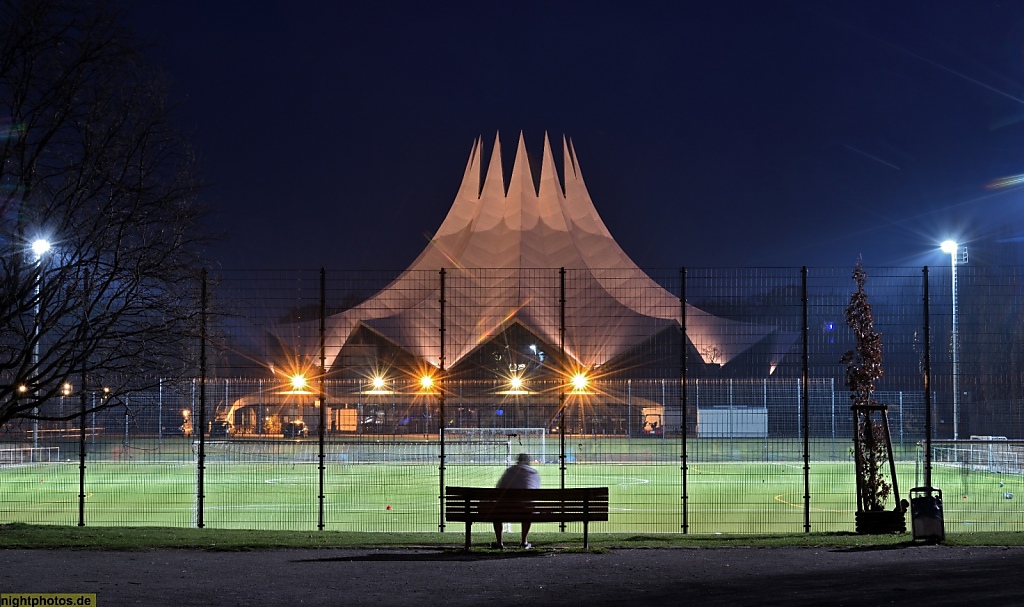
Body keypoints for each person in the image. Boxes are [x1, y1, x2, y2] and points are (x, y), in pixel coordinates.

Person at [492, 452, 540, 549]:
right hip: (526, 510)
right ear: (529, 462)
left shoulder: (510, 471)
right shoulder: (534, 473)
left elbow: (499, 488)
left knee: (496, 513)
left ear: (518, 460)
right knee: (528, 507)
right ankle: (524, 541)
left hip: (506, 509)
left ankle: (499, 542)